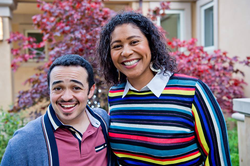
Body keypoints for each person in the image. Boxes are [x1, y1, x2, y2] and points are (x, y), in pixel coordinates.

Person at [97, 11, 232, 166]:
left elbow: (218, 158)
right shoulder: (115, 95)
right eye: (117, 46)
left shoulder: (193, 92)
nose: (126, 52)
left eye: (134, 42)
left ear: (151, 44)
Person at [1, 54, 114, 166]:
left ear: (90, 90)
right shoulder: (23, 141)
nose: (66, 97)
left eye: (76, 88)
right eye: (58, 88)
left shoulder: (103, 121)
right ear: (49, 90)